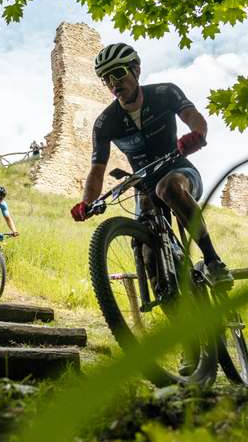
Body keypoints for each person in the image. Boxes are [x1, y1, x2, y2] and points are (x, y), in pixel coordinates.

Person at [69, 43, 233, 285]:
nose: (114, 83)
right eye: (106, 79)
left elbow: (192, 116)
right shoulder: (105, 123)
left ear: (136, 70)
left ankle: (212, 261)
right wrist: (87, 202)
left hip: (178, 171)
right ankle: (168, 299)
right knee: (144, 245)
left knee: (168, 188)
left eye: (119, 73)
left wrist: (197, 134)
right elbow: (97, 169)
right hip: (144, 184)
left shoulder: (165, 93)